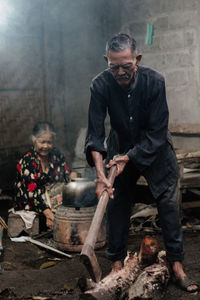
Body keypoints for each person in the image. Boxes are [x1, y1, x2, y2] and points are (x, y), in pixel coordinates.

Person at [85, 33, 199, 292]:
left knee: (168, 204)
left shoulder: (155, 81)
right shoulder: (100, 85)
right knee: (117, 205)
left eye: (127, 65)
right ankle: (117, 266)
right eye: (114, 66)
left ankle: (177, 264)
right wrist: (102, 174)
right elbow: (95, 134)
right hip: (119, 147)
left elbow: (158, 132)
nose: (121, 72)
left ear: (137, 59)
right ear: (106, 61)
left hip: (154, 147)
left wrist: (132, 156)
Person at [14, 121, 77, 230]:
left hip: (53, 202)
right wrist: (49, 214)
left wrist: (73, 175)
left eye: (49, 142)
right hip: (32, 206)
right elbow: (32, 194)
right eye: (42, 142)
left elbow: (67, 174)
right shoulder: (28, 161)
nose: (46, 146)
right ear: (34, 139)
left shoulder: (56, 155)